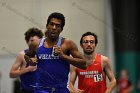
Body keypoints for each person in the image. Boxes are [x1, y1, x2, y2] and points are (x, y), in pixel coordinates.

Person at [25, 12, 86, 93]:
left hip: (61, 89)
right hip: (41, 89)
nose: (54, 28)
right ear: (47, 26)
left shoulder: (67, 44)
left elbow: (84, 64)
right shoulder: (36, 44)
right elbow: (27, 56)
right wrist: (30, 60)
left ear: (61, 29)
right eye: (51, 24)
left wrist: (63, 56)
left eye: (58, 26)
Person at [9, 27, 43, 93]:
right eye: (32, 41)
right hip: (26, 91)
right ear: (27, 42)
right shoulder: (22, 54)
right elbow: (11, 74)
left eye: (37, 41)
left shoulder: (44, 55)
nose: (34, 43)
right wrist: (27, 69)